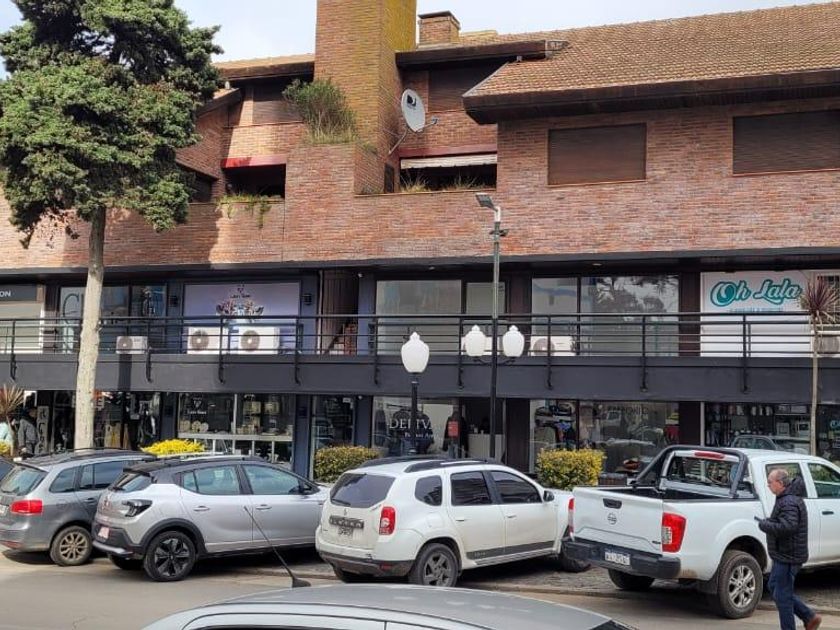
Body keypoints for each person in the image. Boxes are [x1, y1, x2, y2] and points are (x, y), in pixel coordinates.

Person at [757, 468, 821, 630]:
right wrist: (770, 522)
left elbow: (789, 526)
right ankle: (809, 616)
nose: (768, 485)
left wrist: (765, 525)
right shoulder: (786, 498)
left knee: (782, 597)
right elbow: (786, 522)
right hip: (784, 555)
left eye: (770, 482)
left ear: (780, 483)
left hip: (788, 556)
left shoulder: (788, 501)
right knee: (774, 587)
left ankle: (802, 621)